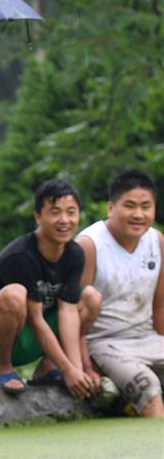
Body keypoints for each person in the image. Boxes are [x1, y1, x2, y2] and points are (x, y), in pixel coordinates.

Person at [0, 179, 101, 397]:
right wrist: (70, 370)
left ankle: (48, 367)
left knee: (90, 297)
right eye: (55, 212)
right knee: (15, 294)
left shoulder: (75, 253)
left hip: (31, 339)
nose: (64, 220)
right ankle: (3, 369)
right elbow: (35, 318)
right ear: (38, 216)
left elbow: (68, 312)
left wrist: (76, 371)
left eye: (71, 212)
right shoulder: (21, 256)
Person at [77, 170, 164, 418]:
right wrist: (84, 367)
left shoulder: (157, 241)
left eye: (146, 206)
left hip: (147, 337)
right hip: (104, 343)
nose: (138, 214)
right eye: (130, 206)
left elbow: (160, 305)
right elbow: (72, 312)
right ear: (111, 208)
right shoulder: (89, 244)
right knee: (147, 387)